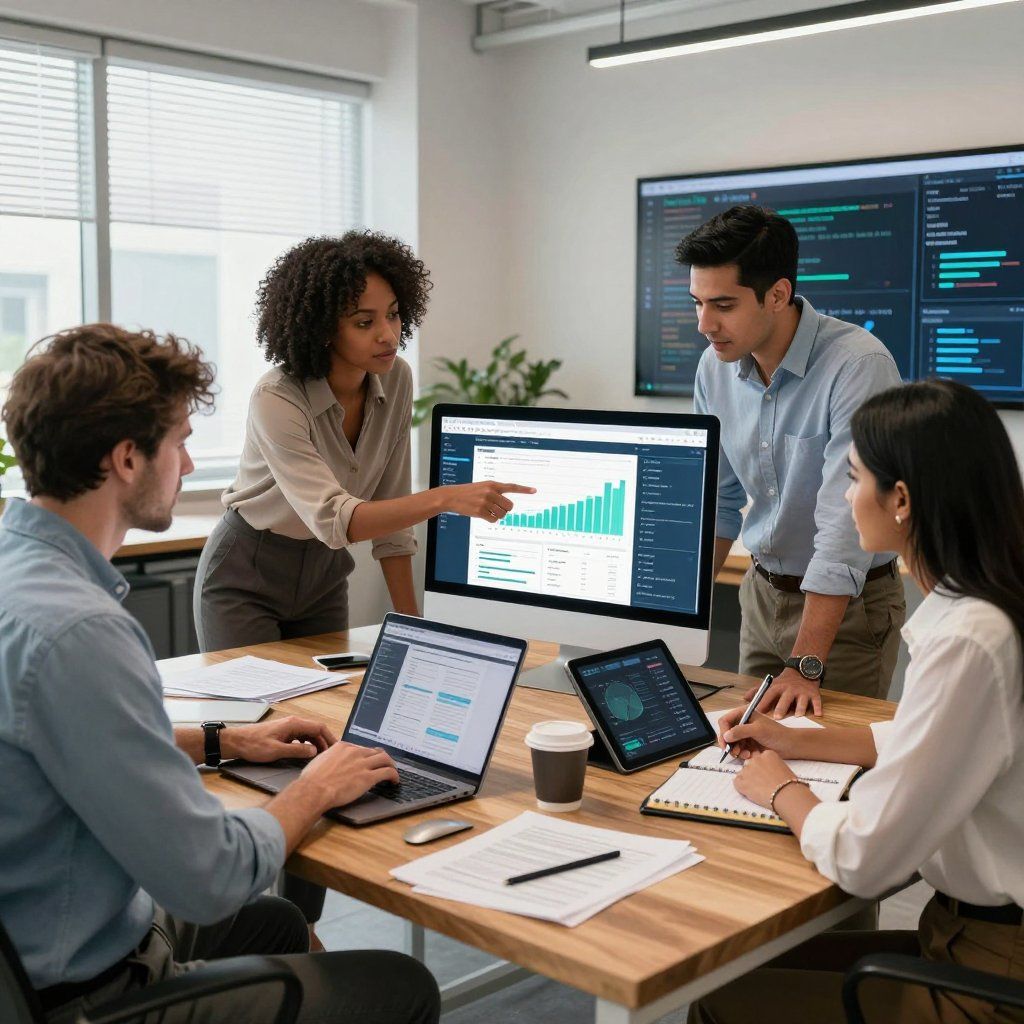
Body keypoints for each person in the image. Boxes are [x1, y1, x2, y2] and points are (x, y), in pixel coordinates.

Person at [0, 324, 440, 1024]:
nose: (187, 460)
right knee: (401, 984)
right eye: (178, 442)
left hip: (61, 934)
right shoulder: (81, 631)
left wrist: (222, 742)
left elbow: (72, 740)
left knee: (278, 925)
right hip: (85, 995)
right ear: (125, 459)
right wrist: (317, 789)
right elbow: (211, 878)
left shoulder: (20, 577)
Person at [194, 230, 533, 931]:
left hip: (322, 577)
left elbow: (389, 521)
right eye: (365, 321)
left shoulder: (395, 380)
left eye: (394, 315)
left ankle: (300, 928)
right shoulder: (276, 396)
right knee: (262, 750)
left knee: (325, 740)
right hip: (246, 571)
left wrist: (415, 631)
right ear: (321, 326)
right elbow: (336, 516)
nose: (389, 334)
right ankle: (237, 924)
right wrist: (448, 496)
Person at [690, 379, 1024, 1024]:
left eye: (852, 477)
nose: (845, 496)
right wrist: (802, 741)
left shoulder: (971, 641)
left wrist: (781, 785)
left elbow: (863, 861)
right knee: (749, 969)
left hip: (992, 966)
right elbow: (950, 744)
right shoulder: (988, 605)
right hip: (965, 934)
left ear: (900, 499)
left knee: (722, 1002)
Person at [677, 205, 906, 718]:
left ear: (777, 294)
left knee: (832, 771)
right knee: (744, 757)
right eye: (696, 303)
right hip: (761, 596)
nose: (704, 324)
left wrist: (806, 662)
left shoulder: (858, 365)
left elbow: (843, 527)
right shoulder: (714, 368)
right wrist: (682, 621)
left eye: (723, 305)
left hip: (848, 611)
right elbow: (716, 498)